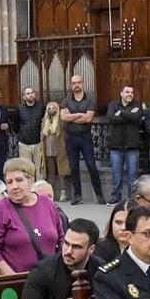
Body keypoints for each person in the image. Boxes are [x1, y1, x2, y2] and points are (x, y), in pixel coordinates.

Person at [57, 74, 102, 203]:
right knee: (74, 167)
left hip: (85, 137)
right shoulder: (66, 101)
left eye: (78, 82)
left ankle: (99, 195)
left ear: (83, 83)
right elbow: (64, 118)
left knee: (91, 166)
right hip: (70, 138)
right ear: (71, 85)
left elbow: (88, 118)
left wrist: (72, 116)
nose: (76, 85)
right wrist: (79, 115)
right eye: (74, 83)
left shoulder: (90, 100)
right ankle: (77, 196)